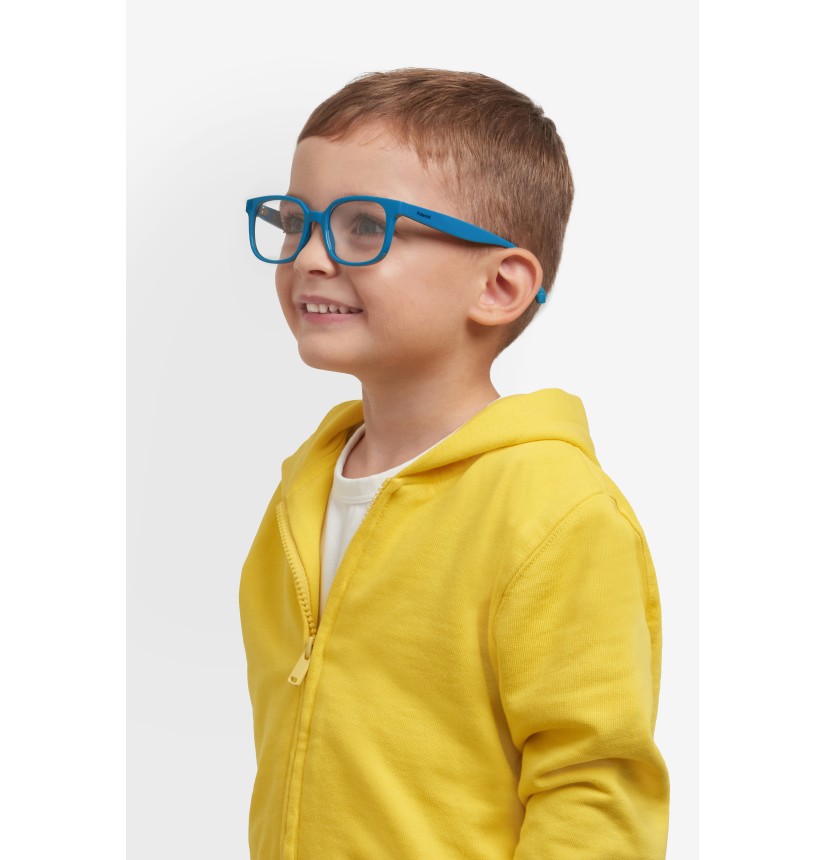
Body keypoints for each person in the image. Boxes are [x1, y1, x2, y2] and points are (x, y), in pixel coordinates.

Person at [239, 68, 669, 859]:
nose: (309, 256)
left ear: (499, 285)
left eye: (364, 226)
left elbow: (592, 788)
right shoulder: (305, 488)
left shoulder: (551, 509)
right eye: (295, 221)